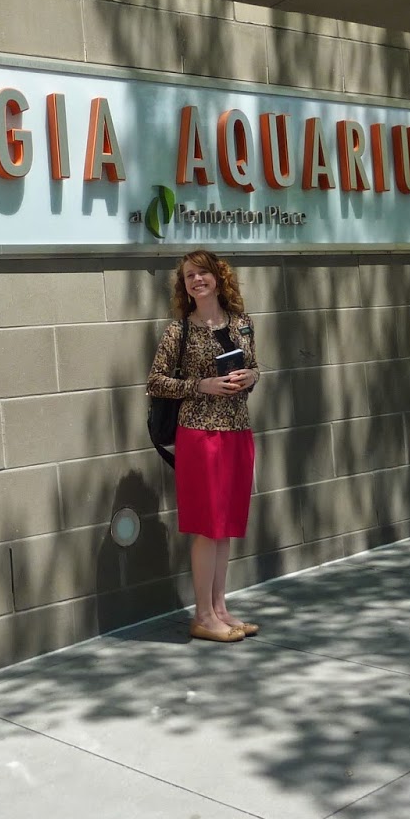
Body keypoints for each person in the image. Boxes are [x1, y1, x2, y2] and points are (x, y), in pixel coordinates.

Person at [146, 249, 260, 642]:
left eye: (202, 273)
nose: (196, 280)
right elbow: (156, 381)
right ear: (184, 285)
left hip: (237, 430)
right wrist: (202, 385)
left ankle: (220, 608)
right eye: (189, 276)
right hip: (199, 434)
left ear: (217, 276)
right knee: (207, 528)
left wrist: (250, 377)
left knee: (224, 527)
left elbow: (254, 366)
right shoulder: (178, 330)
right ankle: (203, 616)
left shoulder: (242, 324)